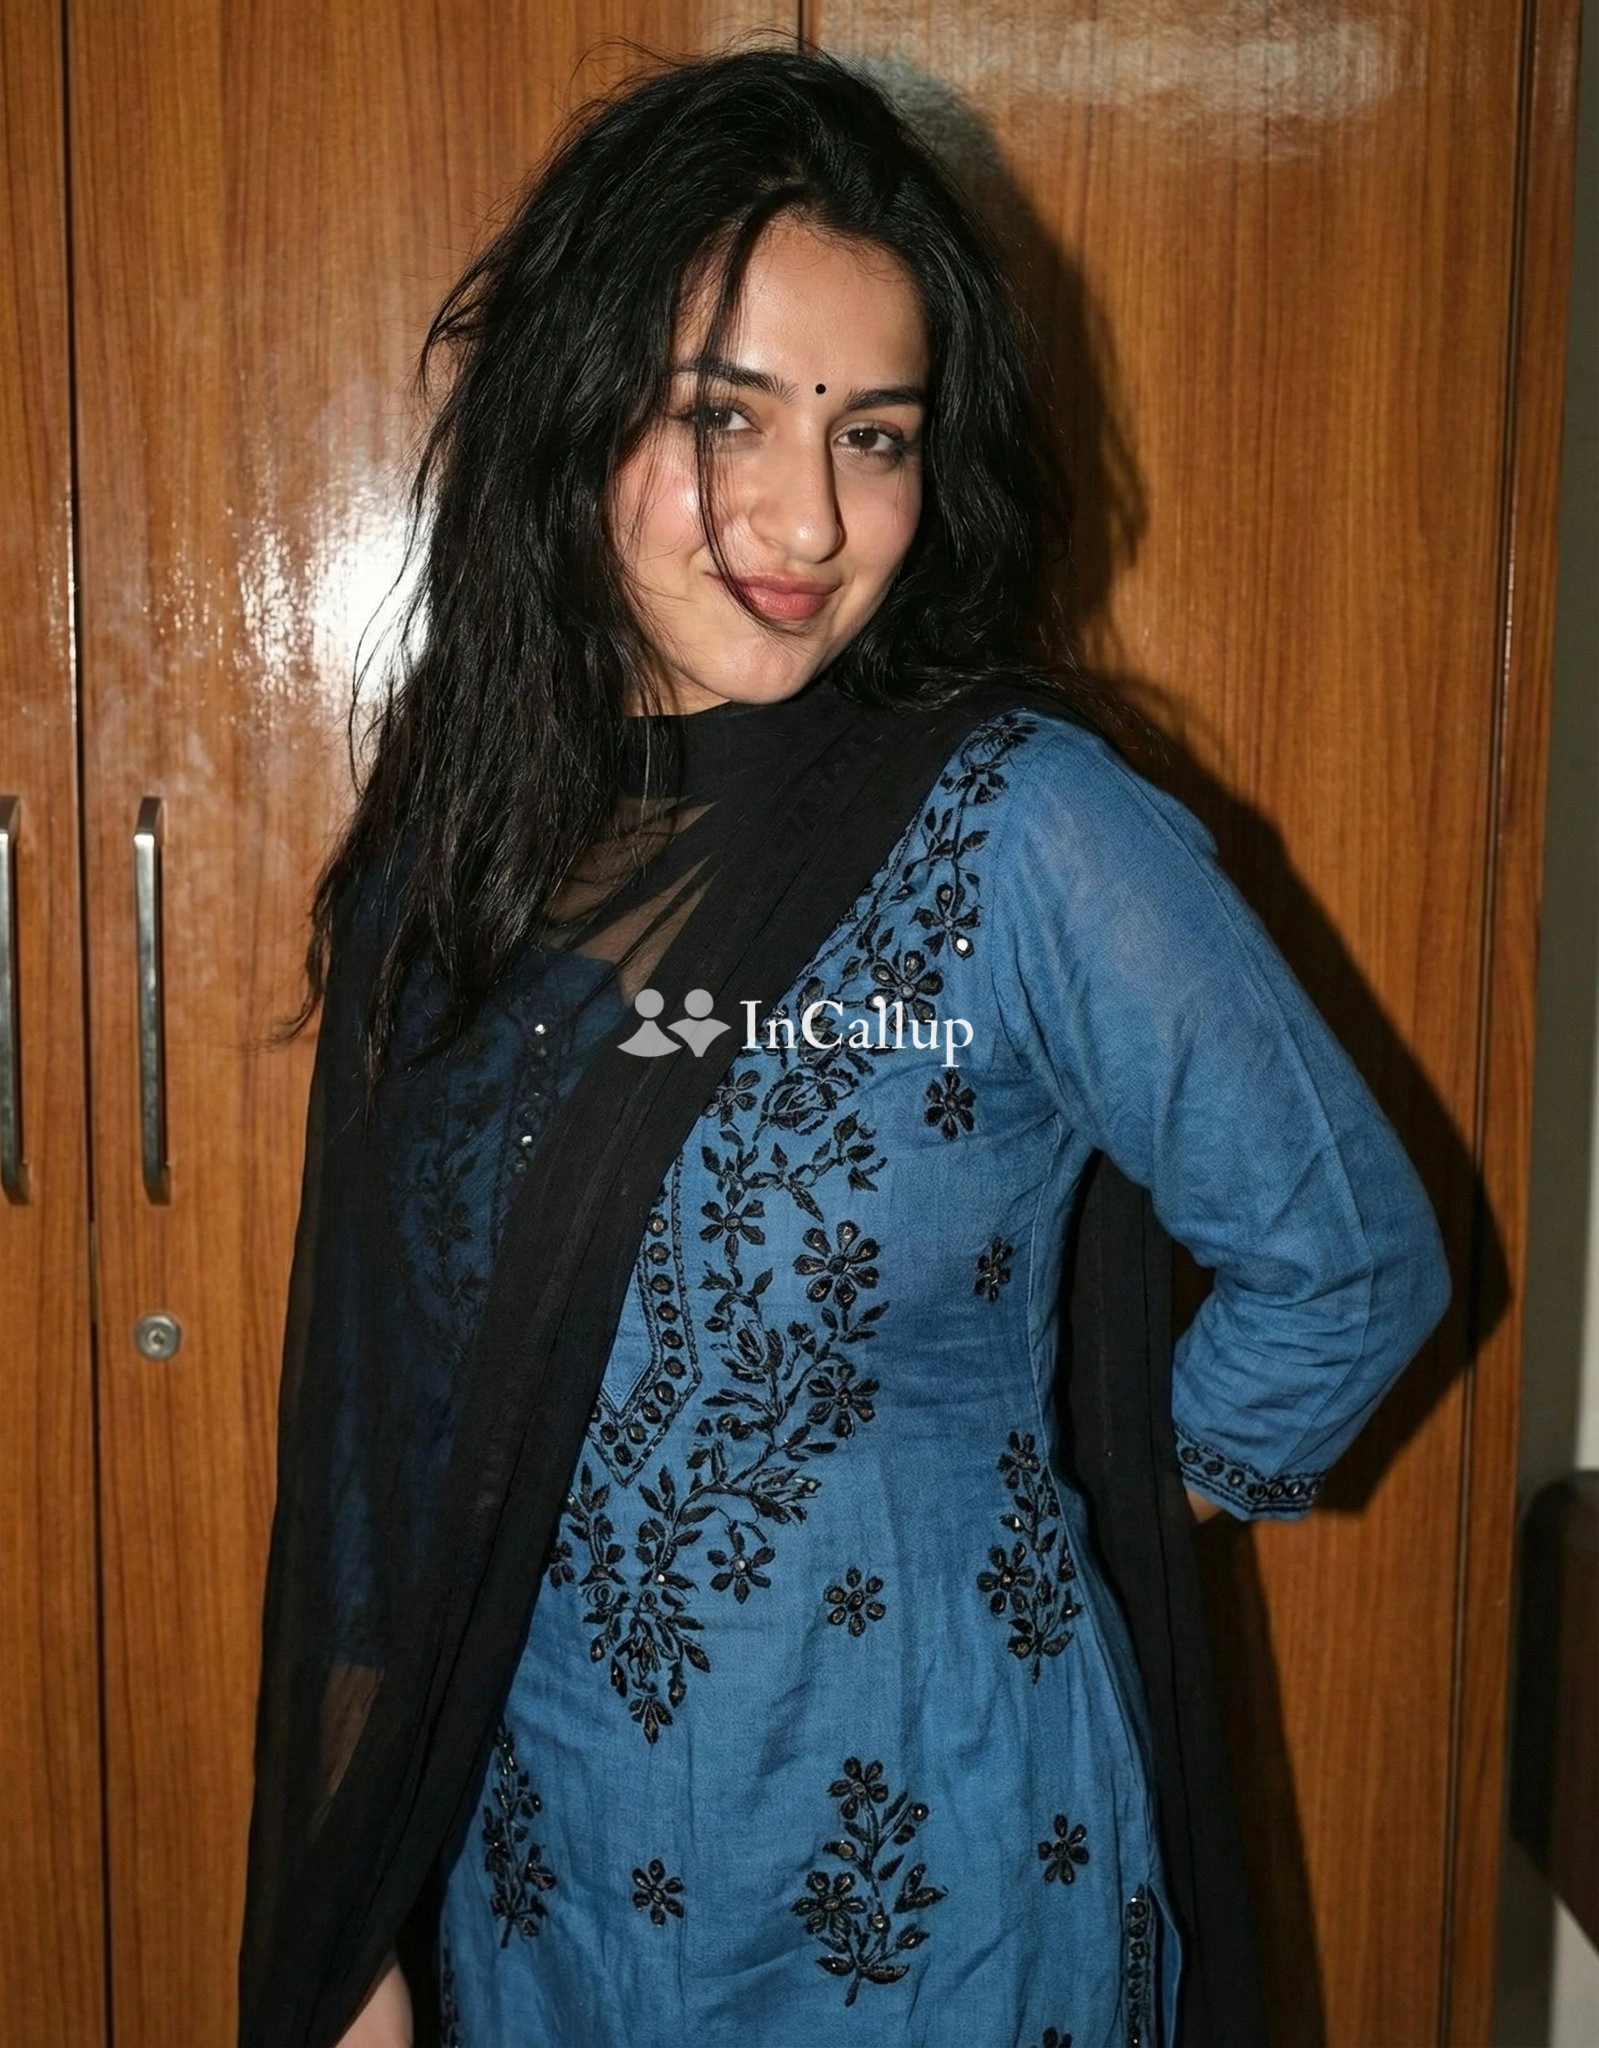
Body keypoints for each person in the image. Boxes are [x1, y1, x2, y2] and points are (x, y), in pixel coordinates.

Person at [237, 43, 1452, 2048]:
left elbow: (1348, 1261)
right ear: (574, 415)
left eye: (873, 436)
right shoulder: (453, 861)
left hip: (937, 1869)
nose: (807, 516)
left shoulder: (1022, 830)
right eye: (724, 415)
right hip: (547, 1876)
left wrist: (1037, 1527)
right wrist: (346, 1934)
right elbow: (381, 1464)